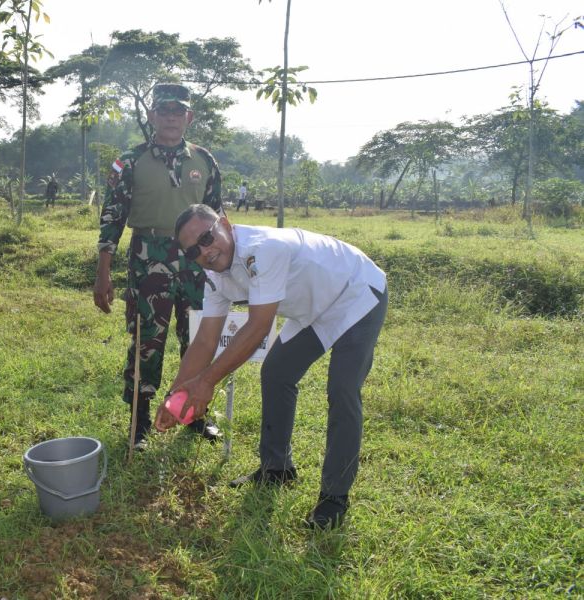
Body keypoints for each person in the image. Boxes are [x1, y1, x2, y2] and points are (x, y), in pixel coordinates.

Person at [156, 204, 388, 529]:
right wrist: (174, 397)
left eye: (207, 238)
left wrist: (206, 382)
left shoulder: (262, 249)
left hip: (356, 292)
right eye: (194, 250)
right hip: (313, 309)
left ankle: (335, 498)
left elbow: (258, 327)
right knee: (277, 373)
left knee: (343, 389)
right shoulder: (214, 278)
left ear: (225, 224)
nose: (205, 251)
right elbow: (205, 341)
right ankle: (276, 469)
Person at [93, 83, 224, 450]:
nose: (170, 118)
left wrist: (224, 269)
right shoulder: (130, 161)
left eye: (177, 111)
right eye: (163, 111)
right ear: (152, 116)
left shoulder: (204, 160)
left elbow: (219, 217)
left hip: (197, 259)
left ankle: (193, 413)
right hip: (148, 256)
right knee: (147, 339)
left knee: (198, 337)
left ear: (189, 117)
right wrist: (103, 273)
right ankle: (139, 421)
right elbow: (112, 218)